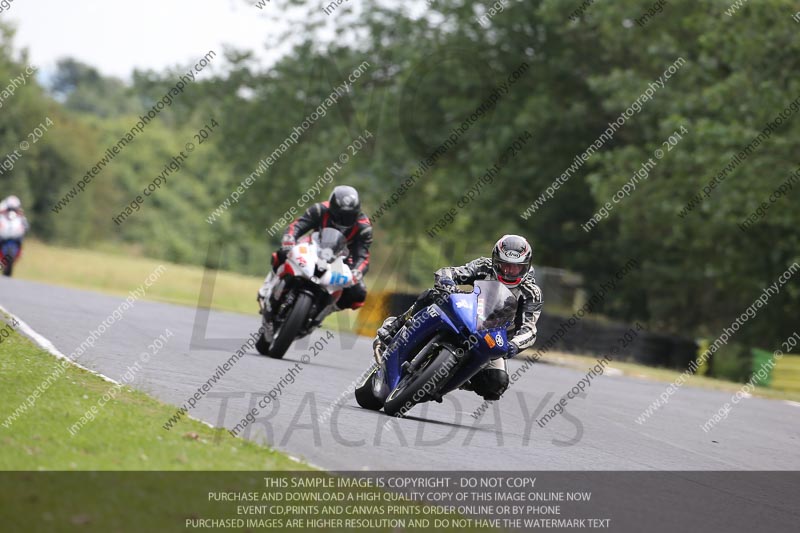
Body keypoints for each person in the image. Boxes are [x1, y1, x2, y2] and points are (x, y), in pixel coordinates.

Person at [375, 234, 543, 401]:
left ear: (526, 266)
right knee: (433, 295)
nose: (509, 272)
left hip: (493, 338)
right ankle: (398, 324)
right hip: (467, 314)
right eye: (504, 265)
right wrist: (447, 282)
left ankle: (454, 378)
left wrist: (513, 345)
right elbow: (449, 272)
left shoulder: (531, 293)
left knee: (496, 384)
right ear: (495, 260)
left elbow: (530, 330)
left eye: (516, 268)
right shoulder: (483, 266)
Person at [257, 185, 373, 330]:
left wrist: (357, 271)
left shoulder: (364, 228)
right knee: (282, 253)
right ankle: (268, 287)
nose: (344, 220)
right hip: (313, 245)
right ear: (332, 208)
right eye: (340, 215)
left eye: (349, 216)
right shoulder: (319, 210)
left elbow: (363, 255)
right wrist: (289, 239)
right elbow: (298, 225)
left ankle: (325, 310)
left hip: (339, 259)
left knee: (358, 292)